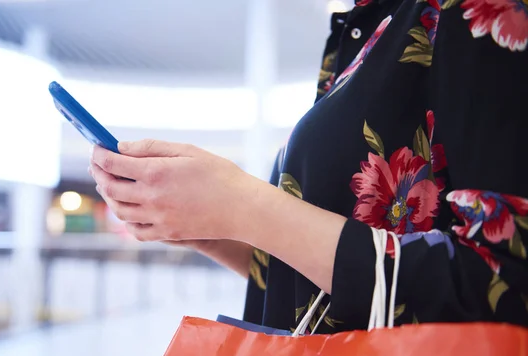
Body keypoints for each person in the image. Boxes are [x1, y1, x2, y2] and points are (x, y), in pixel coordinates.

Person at [89, 0, 528, 333]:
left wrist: (243, 205)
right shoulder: (365, 29)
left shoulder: (476, 13)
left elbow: (507, 288)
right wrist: (208, 224)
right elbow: (314, 282)